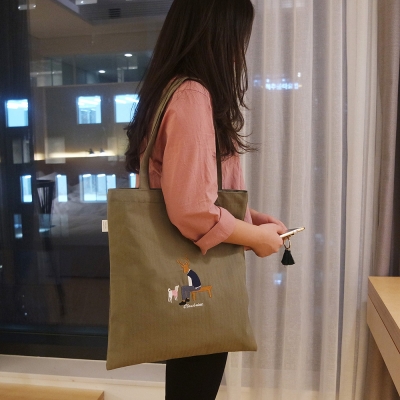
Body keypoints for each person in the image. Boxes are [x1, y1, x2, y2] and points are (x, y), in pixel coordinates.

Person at [125, 0, 286, 398]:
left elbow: (189, 193)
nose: (240, 51)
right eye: (239, 37)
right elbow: (192, 210)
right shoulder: (192, 95)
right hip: (198, 273)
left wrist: (250, 219)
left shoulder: (169, 90)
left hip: (179, 275)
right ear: (217, 34)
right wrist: (255, 238)